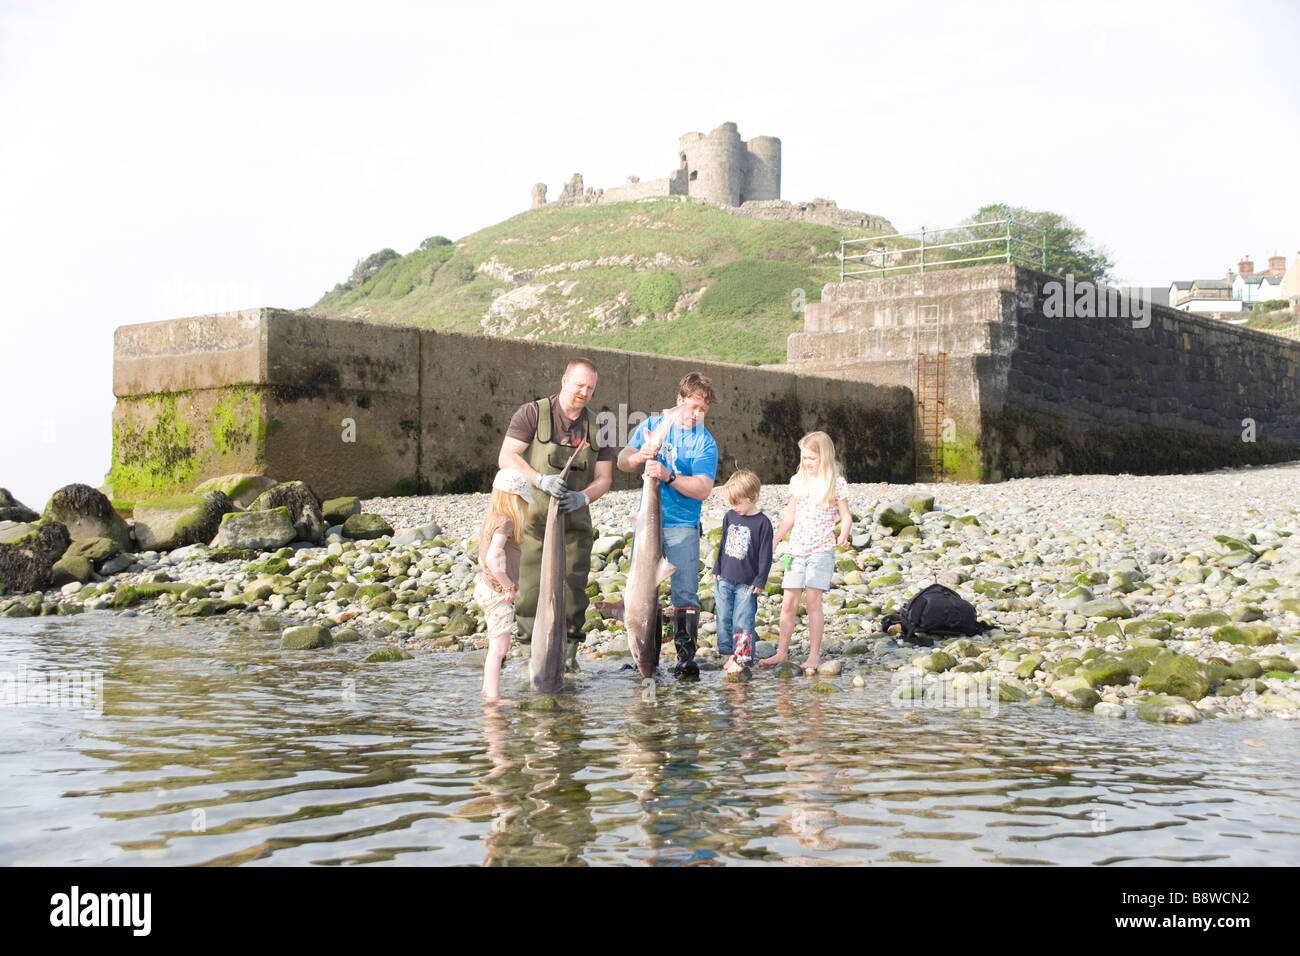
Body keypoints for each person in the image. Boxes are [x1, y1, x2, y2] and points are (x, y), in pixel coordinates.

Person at [499, 359, 614, 672]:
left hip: (575, 525)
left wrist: (581, 497)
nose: (584, 392)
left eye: (590, 388)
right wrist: (539, 480)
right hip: (534, 523)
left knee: (573, 594)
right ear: (564, 380)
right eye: (579, 385)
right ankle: (527, 654)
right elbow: (506, 456)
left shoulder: (599, 424)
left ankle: (567, 657)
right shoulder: (532, 413)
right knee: (530, 591)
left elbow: (604, 478)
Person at [617, 371, 719, 677]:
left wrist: (668, 475)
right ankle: (649, 657)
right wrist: (640, 458)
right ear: (679, 400)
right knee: (643, 593)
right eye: (692, 407)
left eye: (703, 410)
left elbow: (703, 488)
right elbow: (622, 459)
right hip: (647, 525)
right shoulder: (652, 426)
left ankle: (685, 657)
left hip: (683, 525)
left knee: (685, 593)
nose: (697, 415)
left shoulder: (705, 442)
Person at [760, 431, 852, 672]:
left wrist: (843, 534)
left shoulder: (835, 483)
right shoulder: (797, 481)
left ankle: (813, 655)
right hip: (797, 550)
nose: (807, 462)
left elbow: (845, 516)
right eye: (804, 457)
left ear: (825, 456)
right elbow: (789, 517)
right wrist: (775, 540)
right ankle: (782, 651)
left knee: (813, 601)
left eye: (812, 458)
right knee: (788, 602)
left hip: (821, 550)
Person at [475, 468, 534, 700]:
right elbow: (492, 558)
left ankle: (486, 691)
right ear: (514, 499)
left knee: (498, 644)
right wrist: (507, 586)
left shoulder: (492, 517)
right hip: (497, 594)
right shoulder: (507, 522)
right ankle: (492, 698)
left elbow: (482, 557)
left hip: (485, 587)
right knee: (498, 649)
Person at [711, 469, 774, 677]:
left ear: (752, 498)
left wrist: (760, 579)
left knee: (743, 618)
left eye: (737, 503)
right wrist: (717, 567)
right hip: (725, 578)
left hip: (747, 582)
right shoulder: (730, 516)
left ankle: (743, 658)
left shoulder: (763, 523)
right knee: (723, 617)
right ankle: (730, 653)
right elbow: (723, 544)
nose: (734, 507)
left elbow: (765, 555)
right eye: (731, 503)